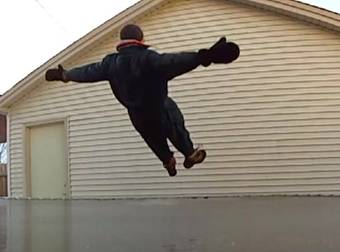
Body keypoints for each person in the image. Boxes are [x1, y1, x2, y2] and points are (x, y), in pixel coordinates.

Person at [45, 24, 240, 177]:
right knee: (174, 122)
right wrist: (202, 57)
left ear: (122, 41)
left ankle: (167, 160)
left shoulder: (110, 62)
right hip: (159, 107)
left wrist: (65, 74)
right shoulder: (147, 58)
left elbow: (87, 72)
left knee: (153, 139)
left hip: (136, 115)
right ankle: (188, 152)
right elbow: (172, 62)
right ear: (140, 39)